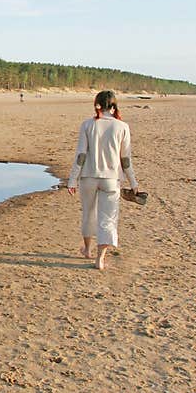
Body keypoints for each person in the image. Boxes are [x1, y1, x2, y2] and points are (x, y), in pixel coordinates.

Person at [67, 90, 139, 270]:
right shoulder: (122, 127)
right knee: (107, 218)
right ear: (114, 106)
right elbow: (126, 160)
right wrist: (134, 183)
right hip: (111, 179)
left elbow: (81, 155)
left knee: (88, 214)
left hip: (88, 177)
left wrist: (72, 179)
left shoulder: (87, 125)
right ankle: (99, 258)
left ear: (97, 104)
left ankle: (87, 249)